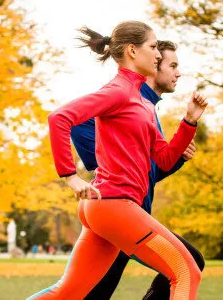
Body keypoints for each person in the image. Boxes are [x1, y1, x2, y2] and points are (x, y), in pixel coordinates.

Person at [28, 21, 208, 300]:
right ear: (133, 51)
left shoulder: (143, 102)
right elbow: (60, 118)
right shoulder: (119, 91)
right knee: (186, 271)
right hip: (114, 206)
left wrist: (189, 122)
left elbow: (164, 157)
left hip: (107, 208)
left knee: (69, 292)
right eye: (153, 47)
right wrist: (71, 176)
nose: (158, 55)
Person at [71, 40, 205, 300]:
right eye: (172, 65)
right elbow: (77, 123)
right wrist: (107, 163)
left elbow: (148, 171)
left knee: (87, 294)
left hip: (132, 214)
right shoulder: (127, 100)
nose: (178, 72)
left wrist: (176, 158)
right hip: (117, 211)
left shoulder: (147, 108)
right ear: (154, 67)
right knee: (187, 266)